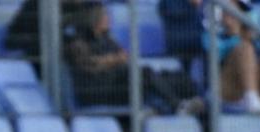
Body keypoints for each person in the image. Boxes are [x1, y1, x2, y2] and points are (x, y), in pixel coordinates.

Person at [66, 2, 204, 113]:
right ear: (93, 18)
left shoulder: (107, 38)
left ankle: (186, 108)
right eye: (104, 15)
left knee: (175, 76)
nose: (108, 18)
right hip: (98, 91)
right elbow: (89, 65)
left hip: (118, 84)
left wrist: (119, 58)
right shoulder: (78, 41)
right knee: (143, 73)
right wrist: (114, 60)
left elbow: (123, 56)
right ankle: (177, 106)